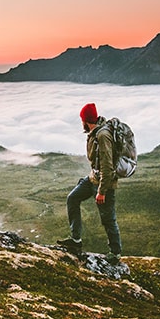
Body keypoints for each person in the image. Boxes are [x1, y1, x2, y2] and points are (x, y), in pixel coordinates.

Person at [57, 103, 123, 263]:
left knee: (108, 219)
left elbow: (107, 166)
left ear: (86, 120)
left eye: (82, 120)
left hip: (104, 183)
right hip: (93, 178)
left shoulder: (102, 136)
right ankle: (76, 240)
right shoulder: (95, 132)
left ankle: (115, 254)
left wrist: (102, 191)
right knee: (72, 198)